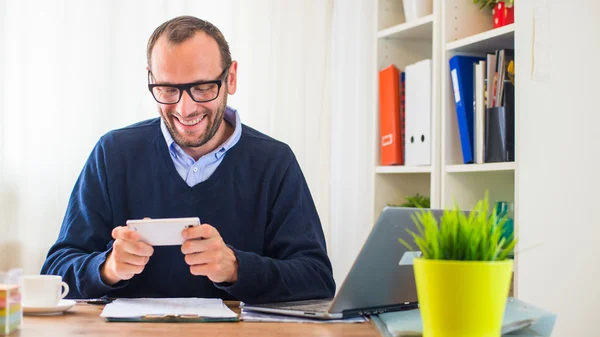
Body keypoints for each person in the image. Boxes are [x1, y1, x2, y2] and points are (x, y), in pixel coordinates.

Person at [41, 15, 335, 304]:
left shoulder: (274, 162)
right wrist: (107, 269)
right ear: (151, 80)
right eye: (168, 90)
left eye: (202, 88)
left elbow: (317, 278)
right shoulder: (113, 153)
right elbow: (54, 274)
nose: (185, 109)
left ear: (230, 78)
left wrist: (236, 268)